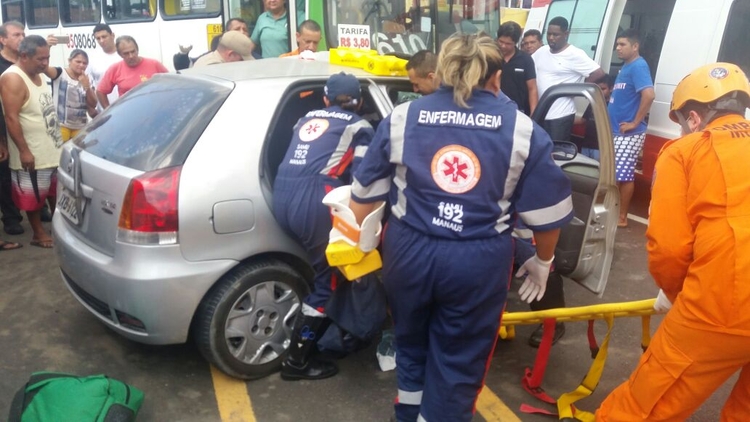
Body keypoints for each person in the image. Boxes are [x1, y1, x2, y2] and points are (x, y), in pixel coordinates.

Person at [348, 33, 573, 422]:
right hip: (477, 260)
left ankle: (409, 414)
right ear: (496, 76)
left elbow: (363, 199)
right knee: (459, 360)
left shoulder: (402, 117)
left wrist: (362, 241)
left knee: (411, 343)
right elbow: (548, 212)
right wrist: (543, 260)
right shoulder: (521, 129)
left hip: (408, 251)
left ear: (443, 71)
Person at [597, 62, 750, 421]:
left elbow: (669, 247)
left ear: (693, 118)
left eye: (682, 121)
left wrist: (677, 293)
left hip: (721, 304)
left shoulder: (684, 152)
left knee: (643, 407)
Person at [273, 72, 375, 381]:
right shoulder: (359, 126)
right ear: (358, 102)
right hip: (316, 199)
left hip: (281, 194)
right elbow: (362, 178)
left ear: (326, 99)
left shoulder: (303, 119)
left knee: (320, 269)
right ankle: (297, 361)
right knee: (327, 280)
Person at [0, 35, 64, 249]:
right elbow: (11, 117)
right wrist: (24, 151)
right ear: (24, 56)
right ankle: (38, 233)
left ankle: (58, 229)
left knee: (53, 193)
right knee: (33, 196)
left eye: (47, 57)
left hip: (51, 149)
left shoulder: (37, 73)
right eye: (41, 59)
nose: (45, 63)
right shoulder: (13, 78)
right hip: (32, 152)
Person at [608, 29, 654, 228]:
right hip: (618, 131)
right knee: (616, 175)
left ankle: (622, 217)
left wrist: (635, 122)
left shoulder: (638, 66)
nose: (618, 48)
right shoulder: (626, 67)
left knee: (624, 176)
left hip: (628, 133)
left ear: (635, 46)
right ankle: (614, 212)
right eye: (617, 44)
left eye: (622, 44)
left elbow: (649, 95)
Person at [533, 16, 606, 142]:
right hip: (540, 113)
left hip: (560, 115)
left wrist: (578, 88)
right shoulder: (542, 51)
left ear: (566, 34)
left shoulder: (575, 54)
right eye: (549, 34)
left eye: (556, 35)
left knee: (556, 154)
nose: (551, 38)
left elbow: (598, 72)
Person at [0, 21, 26, 236]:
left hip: (24, 125)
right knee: (5, 174)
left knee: (30, 168)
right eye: (16, 34)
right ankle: (11, 217)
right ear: (3, 39)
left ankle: (36, 207)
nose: (21, 38)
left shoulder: (24, 62)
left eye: (23, 34)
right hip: (2, 128)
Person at [96, 36, 168, 109]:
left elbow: (171, 84)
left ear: (137, 50)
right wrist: (109, 111)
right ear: (120, 54)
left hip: (154, 111)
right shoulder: (115, 68)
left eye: (133, 51)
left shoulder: (154, 64)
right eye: (126, 53)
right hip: (128, 114)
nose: (131, 56)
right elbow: (100, 91)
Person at [49, 50, 97, 142]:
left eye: (85, 63)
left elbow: (93, 103)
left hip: (80, 126)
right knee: (60, 153)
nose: (81, 65)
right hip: (61, 125)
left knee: (78, 153)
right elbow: (44, 68)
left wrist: (87, 87)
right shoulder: (60, 73)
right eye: (78, 62)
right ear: (69, 61)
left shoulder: (87, 78)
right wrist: (48, 46)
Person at [174, 18, 250, 70]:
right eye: (237, 29)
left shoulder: (251, 53)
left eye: (245, 29)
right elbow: (185, 66)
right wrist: (183, 54)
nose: (242, 32)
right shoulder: (213, 66)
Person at [497, 21, 538, 115]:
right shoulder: (491, 57)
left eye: (508, 44)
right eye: (501, 41)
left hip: (520, 113)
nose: (503, 46)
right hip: (496, 110)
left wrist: (534, 116)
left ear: (515, 42)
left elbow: (532, 88)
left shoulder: (525, 60)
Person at [575, 73, 613, 160]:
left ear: (611, 88)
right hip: (586, 144)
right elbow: (583, 120)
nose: (600, 92)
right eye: (598, 89)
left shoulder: (612, 106)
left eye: (603, 89)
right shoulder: (593, 103)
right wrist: (566, 120)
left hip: (600, 147)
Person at [87, 24, 121, 113]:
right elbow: (89, 86)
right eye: (98, 38)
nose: (101, 41)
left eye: (104, 37)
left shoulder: (124, 54)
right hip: (104, 111)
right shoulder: (92, 58)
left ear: (112, 35)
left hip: (125, 106)